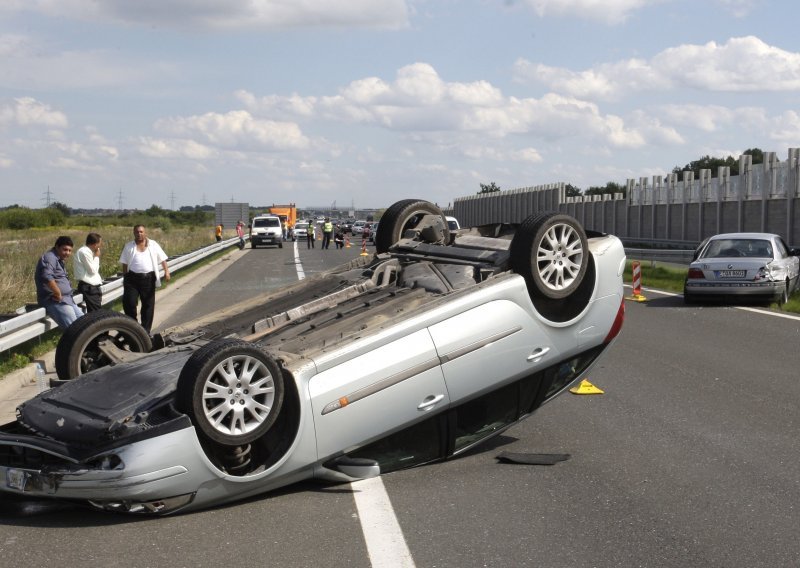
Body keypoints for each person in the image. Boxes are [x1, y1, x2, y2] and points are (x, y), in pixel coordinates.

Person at [119, 224, 170, 333]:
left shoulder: (153, 245)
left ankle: (145, 331)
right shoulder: (129, 246)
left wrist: (166, 271)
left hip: (148, 278)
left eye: (141, 232)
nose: (139, 234)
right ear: (134, 233)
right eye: (137, 232)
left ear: (145, 233)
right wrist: (125, 277)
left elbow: (162, 259)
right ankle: (133, 326)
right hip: (132, 278)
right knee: (130, 302)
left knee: (148, 305)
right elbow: (124, 263)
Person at [35, 236, 83, 330]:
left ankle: (89, 344)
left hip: (67, 299)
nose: (67, 253)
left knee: (85, 322)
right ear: (57, 247)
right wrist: (57, 293)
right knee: (74, 331)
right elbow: (47, 276)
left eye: (70, 250)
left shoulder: (58, 259)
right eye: (65, 249)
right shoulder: (50, 257)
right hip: (55, 300)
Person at [74, 232, 103, 312]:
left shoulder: (88, 252)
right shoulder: (84, 252)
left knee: (96, 312)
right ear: (95, 244)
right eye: (100, 243)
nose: (100, 246)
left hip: (92, 288)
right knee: (96, 313)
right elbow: (92, 271)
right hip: (89, 287)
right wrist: (97, 257)